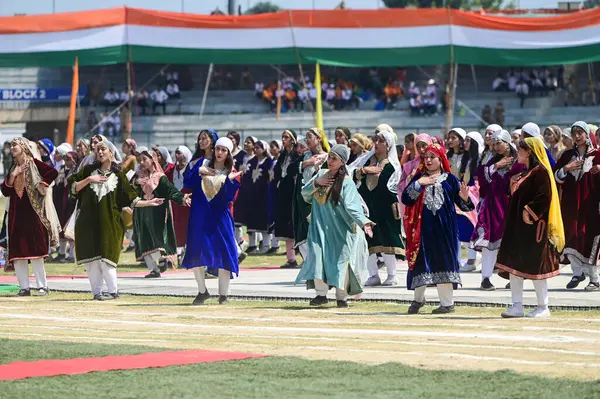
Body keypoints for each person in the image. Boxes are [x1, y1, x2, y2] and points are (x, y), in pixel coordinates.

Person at [68, 141, 163, 300]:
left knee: (107, 259)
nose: (99, 152)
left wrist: (149, 203)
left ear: (111, 153)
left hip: (111, 224)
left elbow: (130, 199)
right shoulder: (87, 171)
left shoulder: (118, 175)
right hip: (87, 223)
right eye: (97, 149)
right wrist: (90, 179)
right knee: (92, 261)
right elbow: (72, 186)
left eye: (103, 149)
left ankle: (113, 291)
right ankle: (97, 293)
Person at [296, 145, 374, 308]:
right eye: (329, 157)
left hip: (340, 230)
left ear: (342, 162)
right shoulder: (321, 174)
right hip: (319, 228)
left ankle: (341, 297)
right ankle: (321, 294)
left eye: (334, 158)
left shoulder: (346, 182)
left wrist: (364, 221)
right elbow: (304, 194)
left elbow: (353, 207)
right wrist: (317, 182)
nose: (330, 161)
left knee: (341, 263)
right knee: (317, 258)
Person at [402, 143, 473, 314]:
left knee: (445, 262)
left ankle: (447, 304)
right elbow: (406, 199)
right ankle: (418, 300)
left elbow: (465, 207)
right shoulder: (419, 178)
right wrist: (419, 183)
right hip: (422, 231)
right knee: (421, 263)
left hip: (445, 232)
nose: (428, 160)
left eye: (432, 157)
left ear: (441, 159)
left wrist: (465, 198)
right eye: (426, 157)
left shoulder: (450, 179)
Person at [497, 137, 564, 318]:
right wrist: (512, 186)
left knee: (537, 267)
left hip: (533, 229)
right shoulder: (525, 172)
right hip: (518, 229)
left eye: (520, 149)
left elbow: (545, 196)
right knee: (514, 265)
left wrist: (529, 211)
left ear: (529, 152)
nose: (517, 152)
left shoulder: (541, 172)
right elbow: (518, 197)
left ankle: (543, 307)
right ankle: (517, 305)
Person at [181, 137, 243, 305]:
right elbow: (187, 182)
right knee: (196, 253)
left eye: (224, 150)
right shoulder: (203, 163)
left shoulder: (231, 172)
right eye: (218, 149)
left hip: (220, 218)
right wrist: (200, 171)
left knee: (225, 253)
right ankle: (202, 291)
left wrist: (230, 181)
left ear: (229, 153)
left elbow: (229, 199)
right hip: (200, 216)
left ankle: (223, 295)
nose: (220, 153)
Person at [1, 138, 60, 296]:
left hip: (33, 213)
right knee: (18, 253)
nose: (12, 147)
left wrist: (43, 184)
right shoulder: (14, 167)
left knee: (36, 251)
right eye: (11, 145)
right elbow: (5, 191)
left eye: (15, 144)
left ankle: (42, 286)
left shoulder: (34, 163)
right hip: (16, 215)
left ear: (24, 147)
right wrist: (13, 176)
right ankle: (24, 288)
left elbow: (52, 172)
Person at [470, 129, 522, 290]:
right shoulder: (493, 160)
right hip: (492, 206)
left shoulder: (520, 159)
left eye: (499, 143)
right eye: (494, 144)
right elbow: (482, 179)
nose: (496, 146)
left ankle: (513, 277)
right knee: (489, 242)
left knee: (513, 243)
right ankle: (485, 278)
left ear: (507, 142)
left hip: (512, 206)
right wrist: (496, 166)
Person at [356, 129, 405, 286]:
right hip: (367, 208)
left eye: (380, 141)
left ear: (388, 145)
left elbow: (395, 188)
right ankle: (373, 275)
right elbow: (351, 173)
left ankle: (392, 275)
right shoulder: (367, 162)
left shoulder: (392, 165)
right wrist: (364, 170)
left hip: (386, 209)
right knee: (368, 241)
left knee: (387, 240)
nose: (376, 143)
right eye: (375, 140)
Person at [555, 121, 600, 291]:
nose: (577, 136)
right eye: (574, 133)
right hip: (571, 204)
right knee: (571, 235)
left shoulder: (598, 154)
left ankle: (594, 279)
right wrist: (566, 169)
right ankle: (577, 273)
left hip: (592, 203)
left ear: (588, 134)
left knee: (590, 237)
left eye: (580, 132)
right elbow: (556, 177)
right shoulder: (567, 156)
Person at [131, 147, 187, 278]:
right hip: (141, 213)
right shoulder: (138, 176)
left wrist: (182, 198)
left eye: (145, 159)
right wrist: (135, 182)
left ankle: (162, 259)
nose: (142, 162)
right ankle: (153, 269)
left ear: (152, 160)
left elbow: (171, 190)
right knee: (143, 239)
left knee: (157, 237)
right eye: (140, 160)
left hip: (157, 213)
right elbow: (129, 190)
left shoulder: (160, 178)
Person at [294, 128, 330, 263]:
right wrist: (306, 163)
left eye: (310, 137)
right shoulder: (305, 156)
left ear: (319, 138)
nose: (307, 140)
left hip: (322, 202)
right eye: (306, 137)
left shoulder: (328, 157)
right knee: (304, 233)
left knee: (321, 234)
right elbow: (291, 169)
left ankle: (321, 265)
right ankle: (311, 265)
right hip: (304, 201)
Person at [446, 128, 480, 272]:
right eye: (449, 138)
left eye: (454, 138)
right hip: (453, 195)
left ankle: (472, 259)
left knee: (468, 227)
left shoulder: (471, 159)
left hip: (467, 194)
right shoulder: (447, 156)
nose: (450, 141)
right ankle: (460, 259)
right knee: (456, 228)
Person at [273, 130, 301, 268]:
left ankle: (304, 257)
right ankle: (291, 259)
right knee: (285, 223)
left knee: (294, 223)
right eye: (282, 137)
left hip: (293, 191)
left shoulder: (297, 156)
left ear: (293, 140)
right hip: (283, 192)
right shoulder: (283, 156)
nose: (283, 139)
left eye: (286, 137)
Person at [172, 145, 193, 260]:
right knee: (178, 226)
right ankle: (180, 253)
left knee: (188, 227)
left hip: (188, 200)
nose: (177, 155)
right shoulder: (173, 169)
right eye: (176, 153)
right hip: (176, 201)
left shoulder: (190, 168)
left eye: (179, 153)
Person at [120, 139, 137, 253]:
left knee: (128, 215)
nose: (123, 147)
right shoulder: (125, 158)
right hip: (123, 188)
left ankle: (132, 243)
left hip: (129, 188)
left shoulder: (132, 158)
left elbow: (122, 169)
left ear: (131, 148)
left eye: (125, 145)